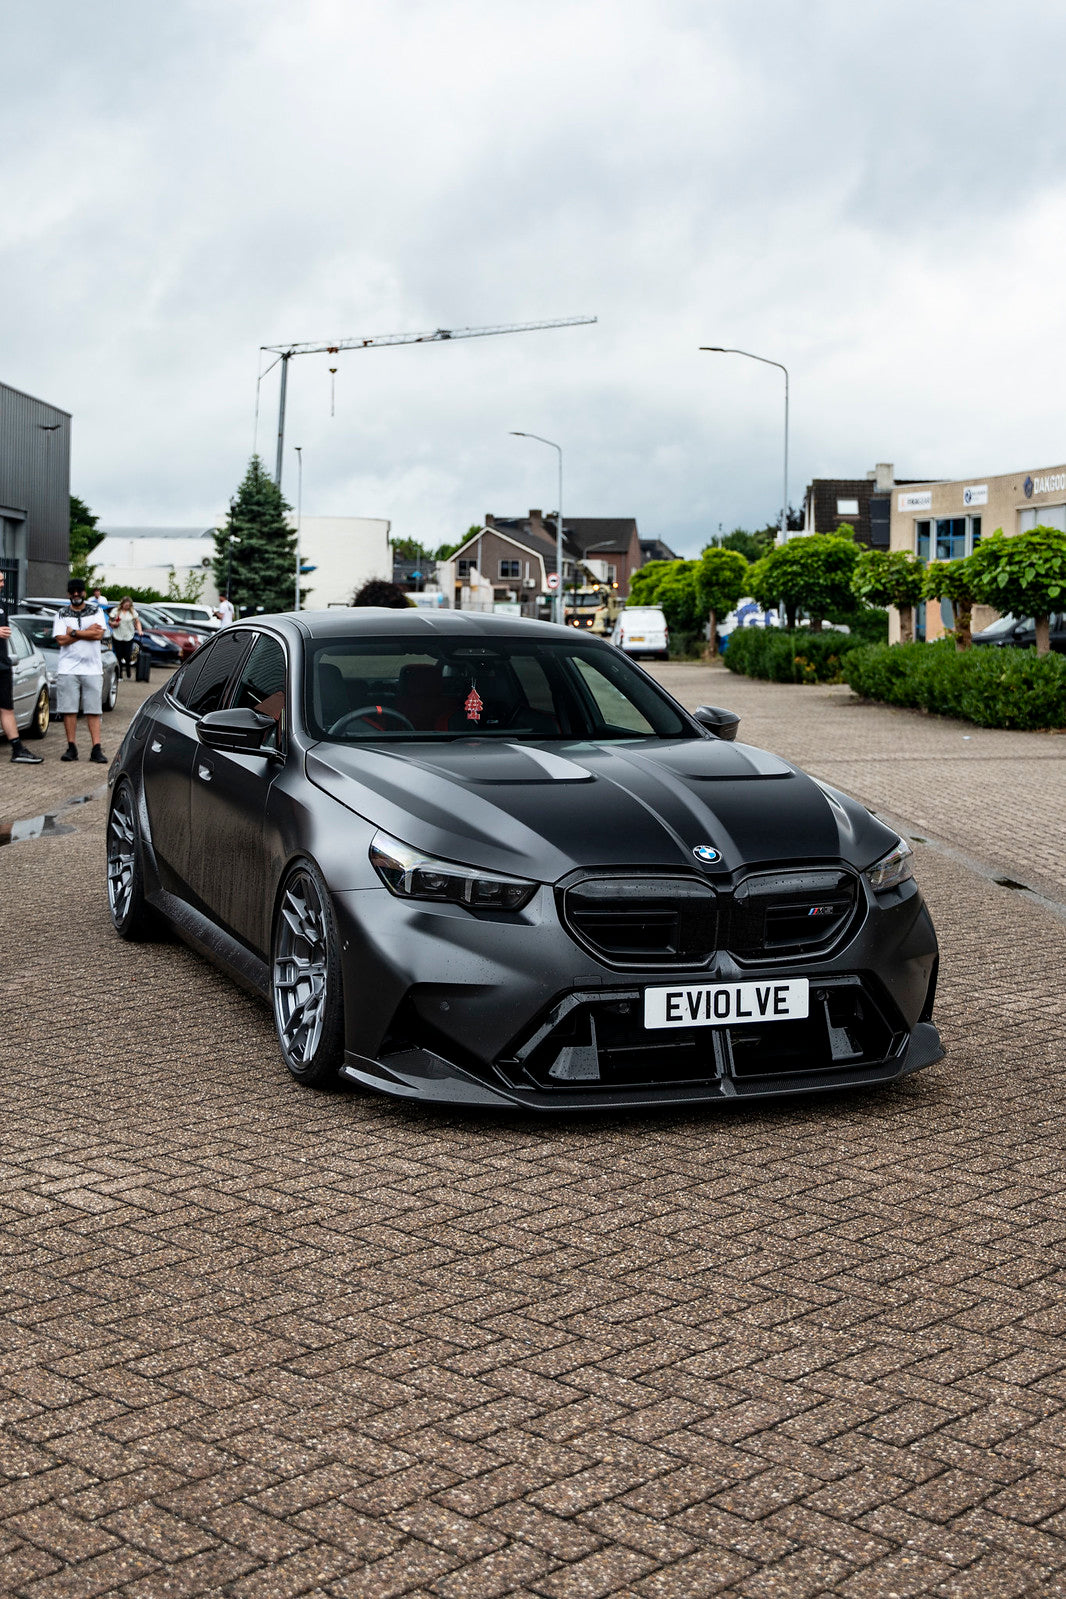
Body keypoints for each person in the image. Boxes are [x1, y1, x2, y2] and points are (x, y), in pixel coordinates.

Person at [52, 578, 107, 763]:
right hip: (68, 668)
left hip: (92, 669)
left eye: (79, 591)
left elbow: (99, 634)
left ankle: (96, 748)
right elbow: (60, 639)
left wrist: (73, 632)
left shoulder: (96, 611)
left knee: (94, 709)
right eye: (72, 591)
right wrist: (86, 632)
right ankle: (71, 747)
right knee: (69, 709)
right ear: (68, 594)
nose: (76, 594)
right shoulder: (61, 613)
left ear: (84, 592)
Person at [0, 569, 43, 764]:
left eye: (3, 581)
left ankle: (17, 749)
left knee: (7, 708)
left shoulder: (1, 606)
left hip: (2, 666)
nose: (2, 584)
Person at [108, 595, 142, 678]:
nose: (127, 607)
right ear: (122, 604)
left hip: (128, 636)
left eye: (129, 605)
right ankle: (119, 675)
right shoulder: (116, 611)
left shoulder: (132, 612)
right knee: (118, 655)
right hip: (117, 635)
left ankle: (128, 670)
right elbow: (110, 621)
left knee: (127, 655)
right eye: (126, 605)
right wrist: (113, 624)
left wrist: (140, 630)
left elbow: (137, 622)